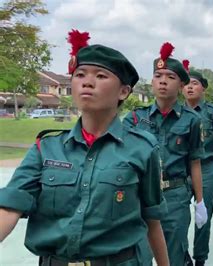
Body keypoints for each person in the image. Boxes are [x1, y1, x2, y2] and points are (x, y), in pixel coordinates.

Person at [0, 30, 169, 266]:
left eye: (101, 76)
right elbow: (9, 207)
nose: (87, 82)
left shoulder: (141, 149)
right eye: (80, 75)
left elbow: (152, 220)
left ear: (123, 91)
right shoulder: (46, 148)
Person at [123, 43, 207, 266]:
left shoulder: (192, 120)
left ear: (181, 85)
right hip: (139, 197)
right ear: (151, 81)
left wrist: (200, 202)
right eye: (158, 75)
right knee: (138, 256)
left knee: (173, 256)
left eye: (170, 76)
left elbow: (195, 162)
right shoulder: (134, 119)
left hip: (175, 197)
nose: (162, 80)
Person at [182, 66, 213, 266]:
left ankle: (200, 259)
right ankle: (182, 256)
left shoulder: (211, 112)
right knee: (178, 217)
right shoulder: (175, 112)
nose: (190, 87)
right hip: (181, 171)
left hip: (207, 169)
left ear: (203, 89)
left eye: (195, 83)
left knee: (204, 217)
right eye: (186, 84)